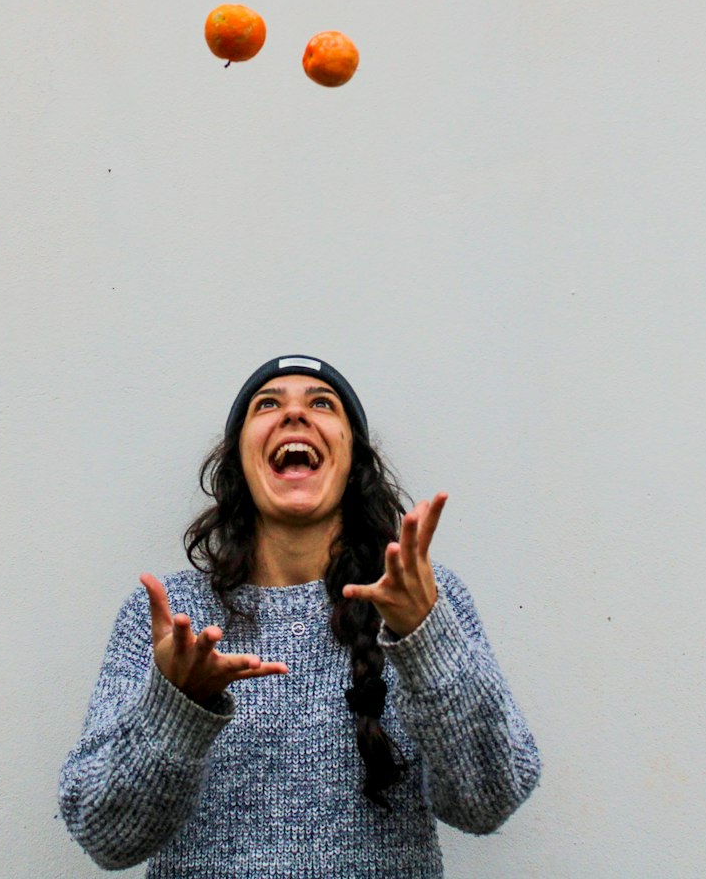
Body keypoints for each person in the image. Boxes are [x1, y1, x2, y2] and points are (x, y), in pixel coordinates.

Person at [58, 355, 540, 877]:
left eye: (321, 403)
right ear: (239, 460)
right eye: (268, 404)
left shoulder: (420, 600)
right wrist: (176, 707)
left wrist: (426, 641)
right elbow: (104, 834)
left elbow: (489, 801)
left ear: (352, 458)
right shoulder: (171, 622)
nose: (293, 415)